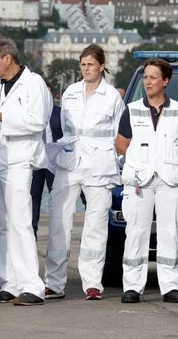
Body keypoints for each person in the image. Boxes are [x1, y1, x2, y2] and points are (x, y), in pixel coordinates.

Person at [45, 44, 125, 301]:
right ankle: (54, 283)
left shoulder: (112, 96)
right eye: (83, 64)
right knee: (59, 220)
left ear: (102, 66)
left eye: (91, 64)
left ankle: (92, 283)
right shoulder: (70, 93)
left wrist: (119, 163)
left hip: (100, 165)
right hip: (69, 162)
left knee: (96, 225)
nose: (86, 69)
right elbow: (62, 128)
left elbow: (119, 133)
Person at [0, 38, 53, 306]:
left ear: (8, 58)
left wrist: (2, 118)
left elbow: (37, 121)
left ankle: (32, 285)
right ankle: (8, 281)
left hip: (18, 159)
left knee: (20, 222)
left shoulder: (34, 84)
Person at [116, 58, 178, 304]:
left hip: (169, 180)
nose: (147, 82)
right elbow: (121, 144)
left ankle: (170, 286)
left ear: (165, 81)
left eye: (152, 77)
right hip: (140, 180)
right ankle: (132, 287)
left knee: (170, 233)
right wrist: (141, 159)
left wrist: (166, 157)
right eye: (145, 77)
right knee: (136, 232)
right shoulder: (132, 109)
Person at [29, 101, 59, 237]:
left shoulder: (59, 112)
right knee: (34, 196)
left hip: (53, 160)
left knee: (56, 195)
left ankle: (57, 229)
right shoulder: (32, 111)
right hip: (36, 158)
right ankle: (32, 230)